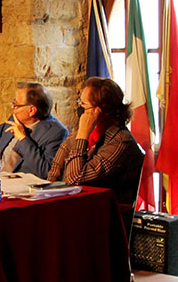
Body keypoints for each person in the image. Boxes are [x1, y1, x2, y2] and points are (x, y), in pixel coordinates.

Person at [47, 78, 144, 208]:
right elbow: (54, 172)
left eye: (84, 104)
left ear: (99, 110)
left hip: (103, 214)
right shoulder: (87, 133)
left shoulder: (120, 141)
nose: (80, 108)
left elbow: (74, 179)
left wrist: (82, 135)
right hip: (76, 207)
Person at [0, 82, 67, 177]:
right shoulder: (15, 119)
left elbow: (45, 171)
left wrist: (23, 139)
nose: (13, 107)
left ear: (31, 110)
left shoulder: (56, 132)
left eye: (16, 104)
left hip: (21, 186)